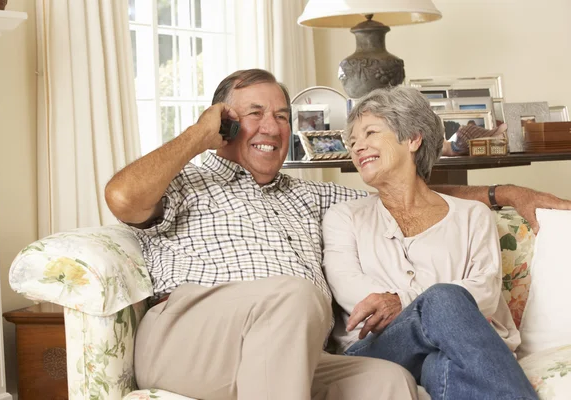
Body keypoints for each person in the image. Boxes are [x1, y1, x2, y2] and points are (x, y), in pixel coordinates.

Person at [104, 68, 570, 399]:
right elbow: (122, 198)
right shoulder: (186, 182)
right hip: (194, 342)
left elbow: (404, 188)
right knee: (296, 294)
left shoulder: (315, 199)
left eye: (283, 115)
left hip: (290, 354)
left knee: (388, 383)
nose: (272, 126)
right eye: (254, 113)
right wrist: (196, 136)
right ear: (222, 122)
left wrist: (504, 191)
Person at [322, 86, 538, 399]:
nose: (358, 147)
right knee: (445, 298)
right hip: (378, 351)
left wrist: (403, 300)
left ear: (413, 138)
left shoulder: (472, 215)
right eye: (352, 141)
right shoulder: (344, 217)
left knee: (441, 365)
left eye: (370, 132)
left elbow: (485, 293)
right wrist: (428, 303)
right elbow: (353, 293)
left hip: (456, 351)